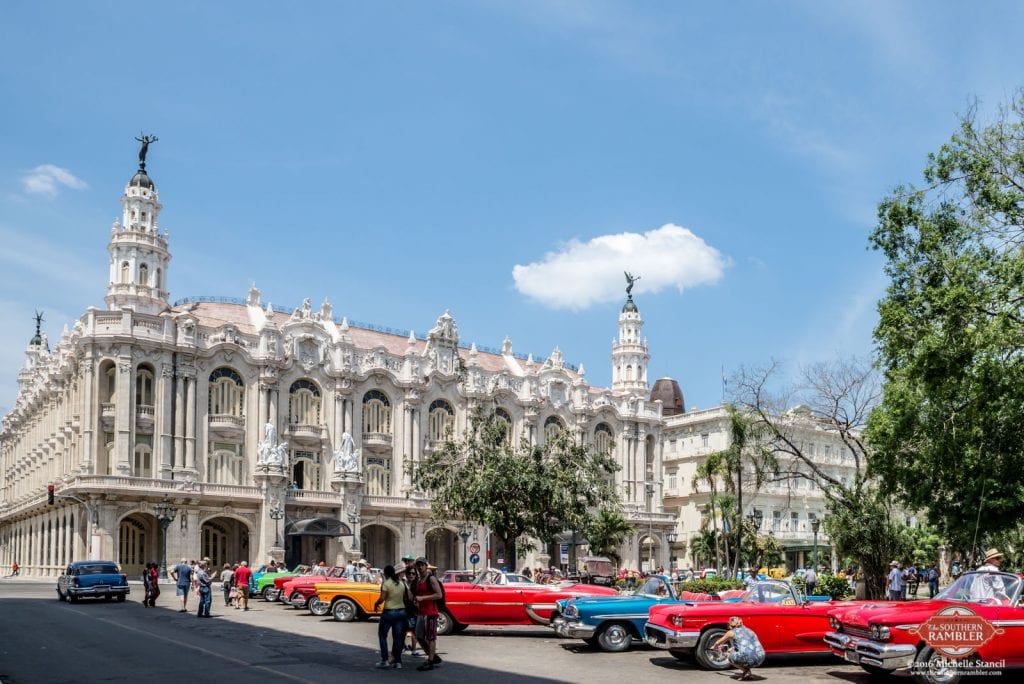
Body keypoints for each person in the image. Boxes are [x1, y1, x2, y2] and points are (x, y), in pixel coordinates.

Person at [410, 557, 443, 671]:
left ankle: (430, 661)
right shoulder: (419, 580)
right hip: (421, 612)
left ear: (426, 565)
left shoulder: (431, 578)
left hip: (430, 613)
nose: (420, 567)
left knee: (431, 638)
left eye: (422, 565)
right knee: (419, 636)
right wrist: (416, 600)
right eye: (418, 565)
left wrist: (423, 598)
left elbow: (439, 595)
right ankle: (433, 656)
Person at [373, 565, 407, 669]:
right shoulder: (401, 584)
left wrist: (376, 604)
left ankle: (385, 660)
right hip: (401, 612)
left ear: (386, 574)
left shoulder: (386, 584)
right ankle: (398, 662)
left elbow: (382, 598)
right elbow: (405, 598)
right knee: (397, 638)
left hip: (389, 612)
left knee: (382, 636)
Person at [711, 616, 765, 681]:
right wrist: (732, 648)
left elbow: (718, 642)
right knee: (736, 651)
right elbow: (747, 645)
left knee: (729, 654)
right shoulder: (749, 630)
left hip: (749, 658)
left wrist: (713, 647)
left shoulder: (731, 632)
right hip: (761, 657)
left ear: (730, 624)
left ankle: (746, 671)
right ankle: (747, 672)